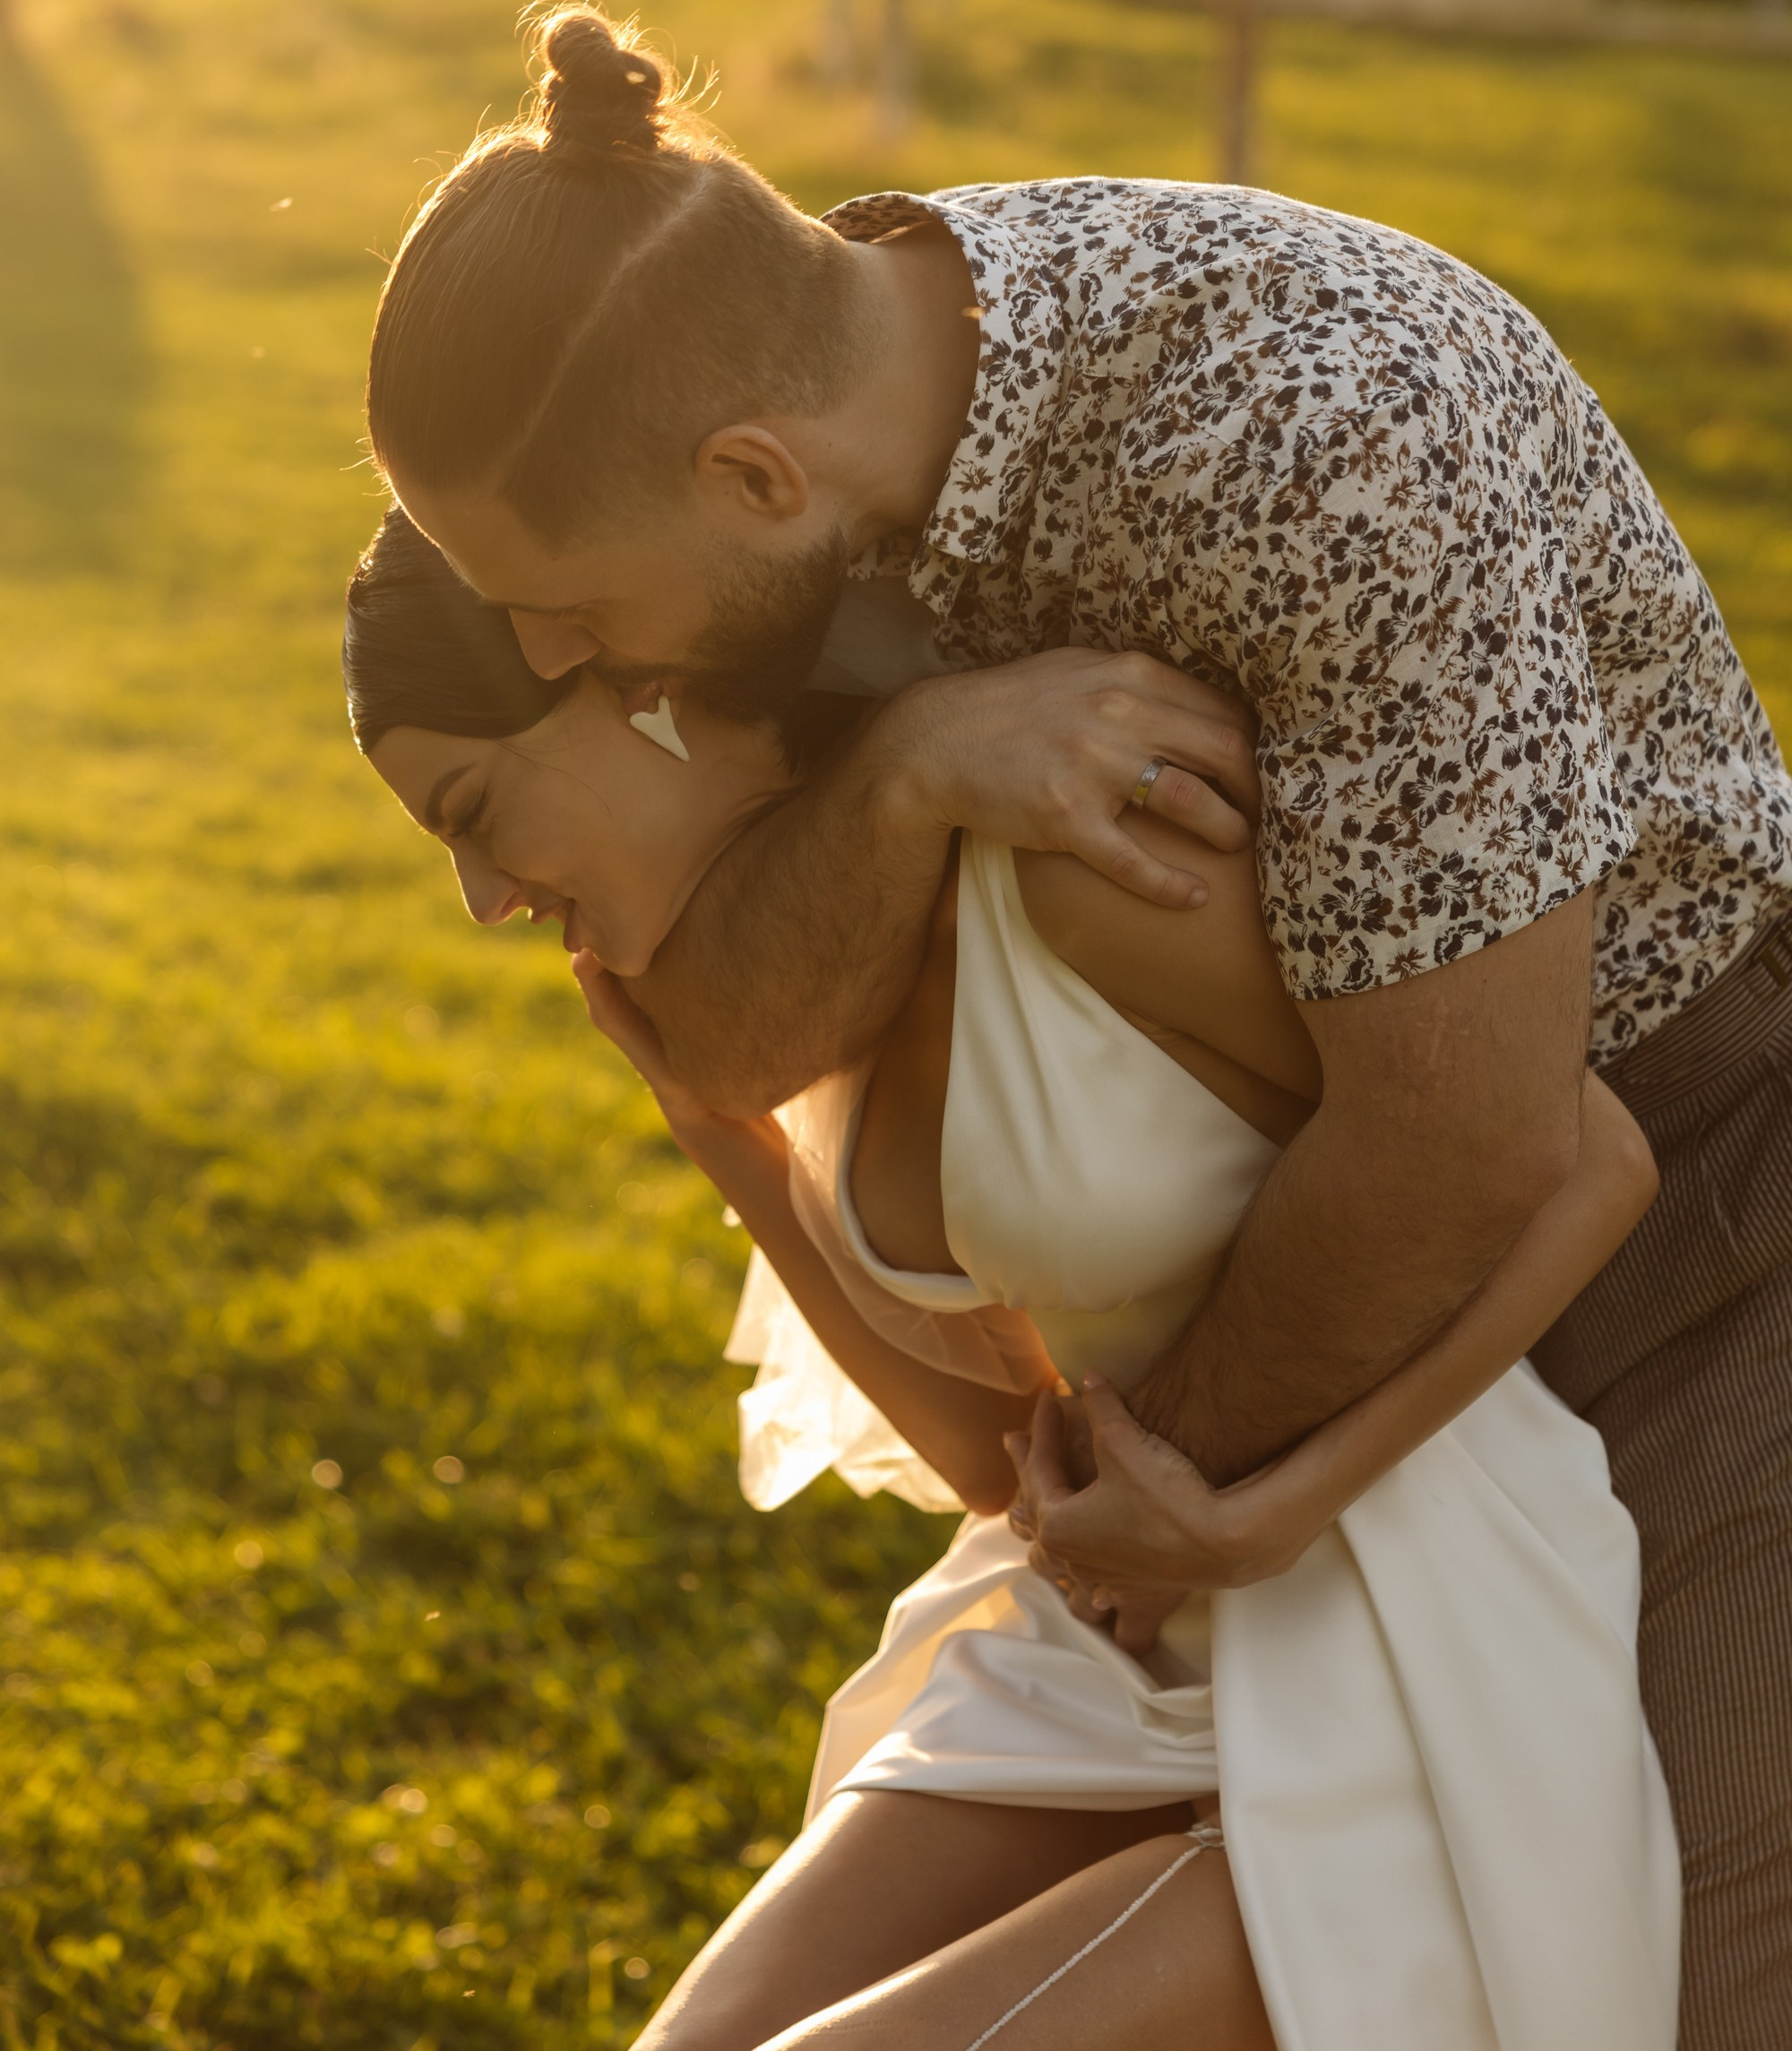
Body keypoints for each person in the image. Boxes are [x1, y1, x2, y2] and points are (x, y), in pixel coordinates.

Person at [363, 2, 1792, 2048]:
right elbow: (743, 1045)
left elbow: (1498, 1143)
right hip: (1267, 1418)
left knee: (1719, 1985)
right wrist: (906, 770)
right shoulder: (860, 443)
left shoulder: (1311, 440)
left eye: (574, 619)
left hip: (1716, 1180)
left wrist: (1171, 1521)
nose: (567, 664)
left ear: (751, 478)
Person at [343, 510, 1678, 2050]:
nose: (483, 897)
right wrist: (721, 1130)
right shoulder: (810, 1004)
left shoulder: (1075, 871)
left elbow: (1586, 1158)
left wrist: (1265, 1516)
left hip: (1395, 1604)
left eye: (474, 811)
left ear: (635, 684)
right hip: (1107, 1640)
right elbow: (1004, 1464)